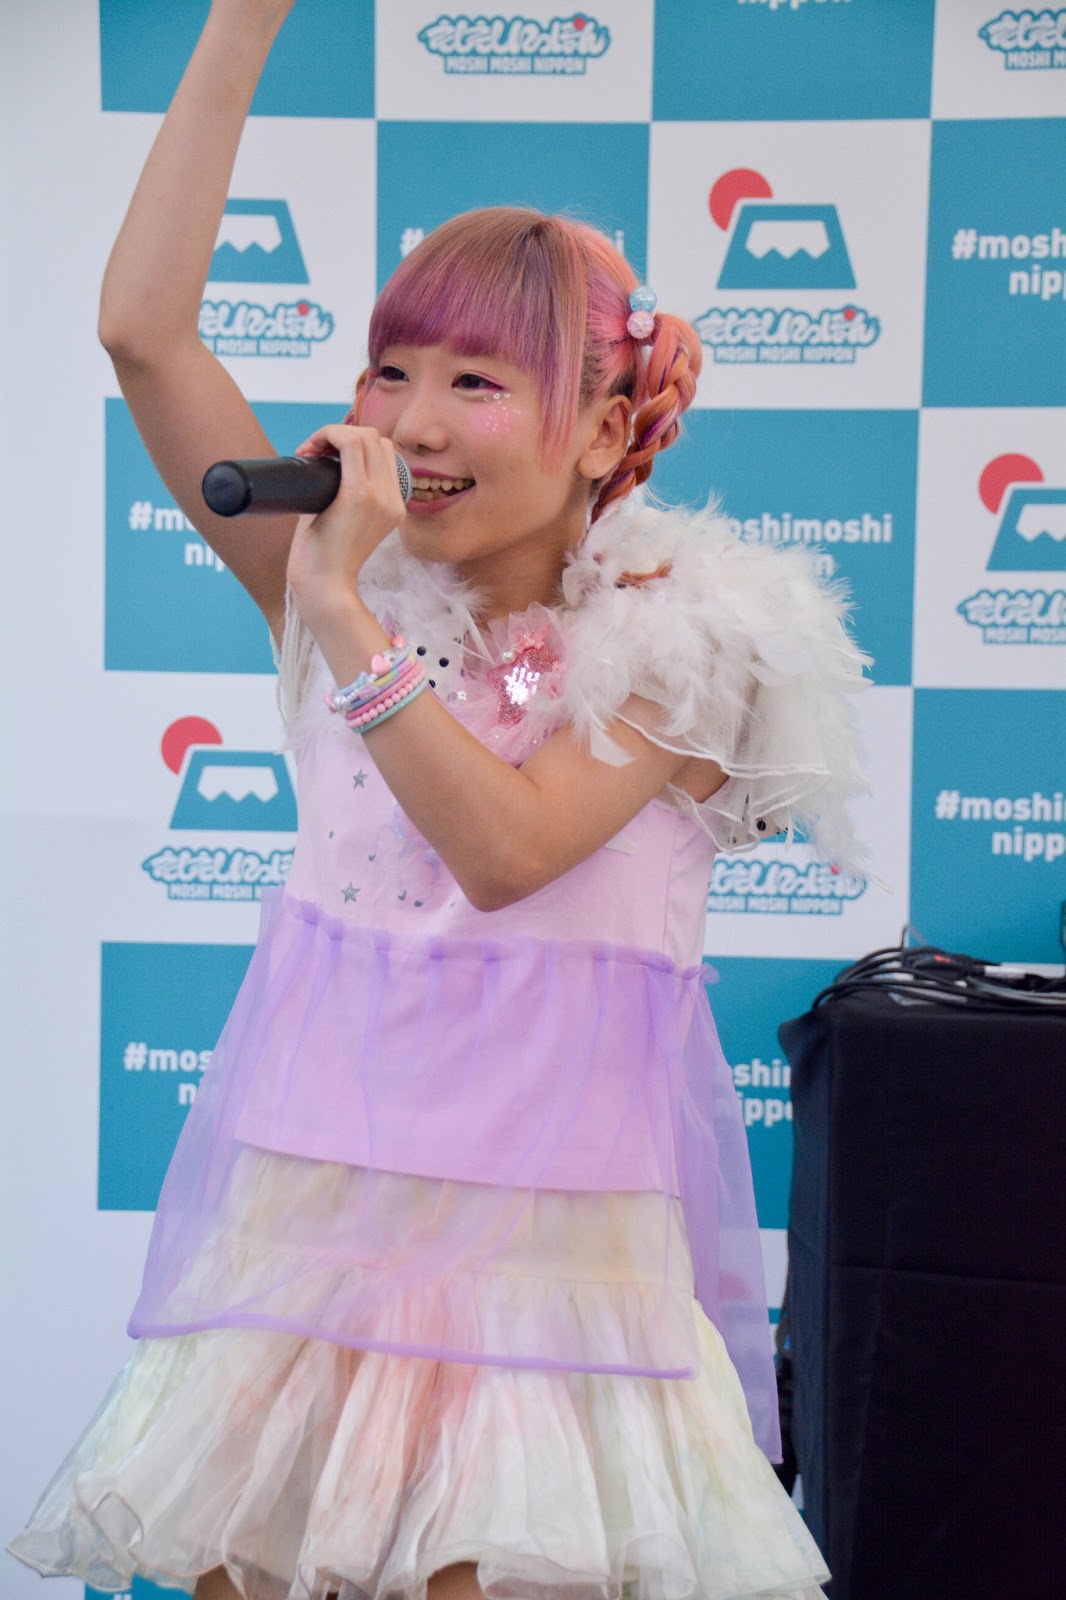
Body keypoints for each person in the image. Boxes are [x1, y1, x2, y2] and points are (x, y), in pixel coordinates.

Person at [7, 3, 868, 1598]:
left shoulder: (697, 641)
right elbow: (144, 335)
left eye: (476, 379)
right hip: (308, 1228)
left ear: (602, 430)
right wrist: (243, 22)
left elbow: (506, 849)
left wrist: (338, 615)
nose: (409, 420)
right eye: (390, 370)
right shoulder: (350, 584)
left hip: (553, 1259)